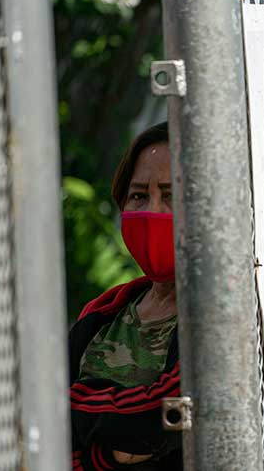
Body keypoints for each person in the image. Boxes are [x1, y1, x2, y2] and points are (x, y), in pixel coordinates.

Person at [69, 122, 182, 471]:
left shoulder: (223, 318)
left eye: (171, 195)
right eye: (138, 196)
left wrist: (75, 411)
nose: (153, 212)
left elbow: (167, 414)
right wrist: (106, 456)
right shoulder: (103, 314)